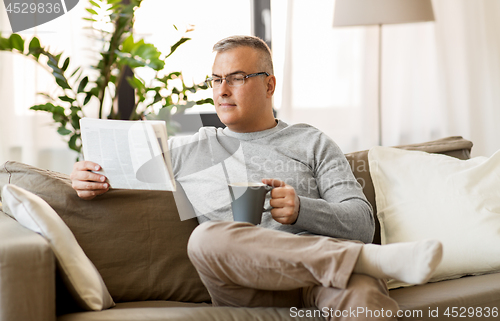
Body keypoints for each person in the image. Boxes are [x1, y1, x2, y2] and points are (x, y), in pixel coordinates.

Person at [70, 35, 443, 320]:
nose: (222, 90)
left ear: (269, 85)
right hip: (247, 289)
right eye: (215, 80)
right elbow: (112, 169)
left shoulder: (311, 141)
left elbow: (361, 223)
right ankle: (364, 260)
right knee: (205, 239)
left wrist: (301, 210)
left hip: (326, 283)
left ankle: (357, 264)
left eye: (236, 78)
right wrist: (83, 175)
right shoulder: (186, 151)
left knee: (363, 292)